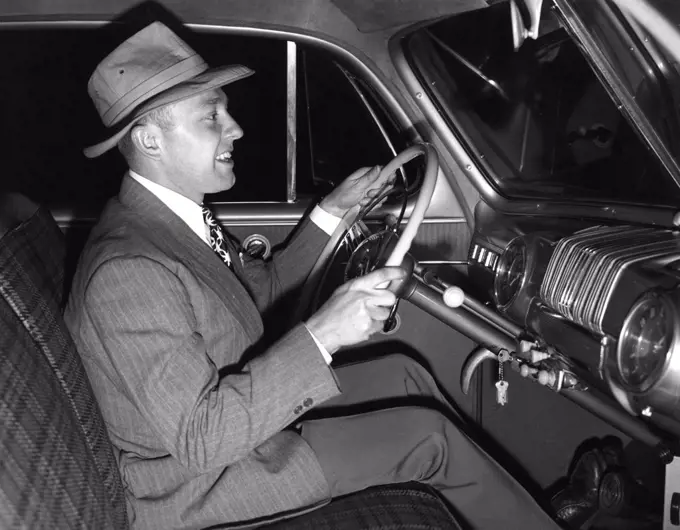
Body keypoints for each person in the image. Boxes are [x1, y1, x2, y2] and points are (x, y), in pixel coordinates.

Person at [64, 21, 561, 530]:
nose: (234, 128)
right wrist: (324, 331)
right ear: (149, 140)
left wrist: (331, 212)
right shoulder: (129, 270)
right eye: (211, 116)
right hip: (198, 485)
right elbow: (201, 440)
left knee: (402, 374)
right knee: (428, 437)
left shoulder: (171, 222)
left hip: (235, 430)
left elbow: (257, 293)